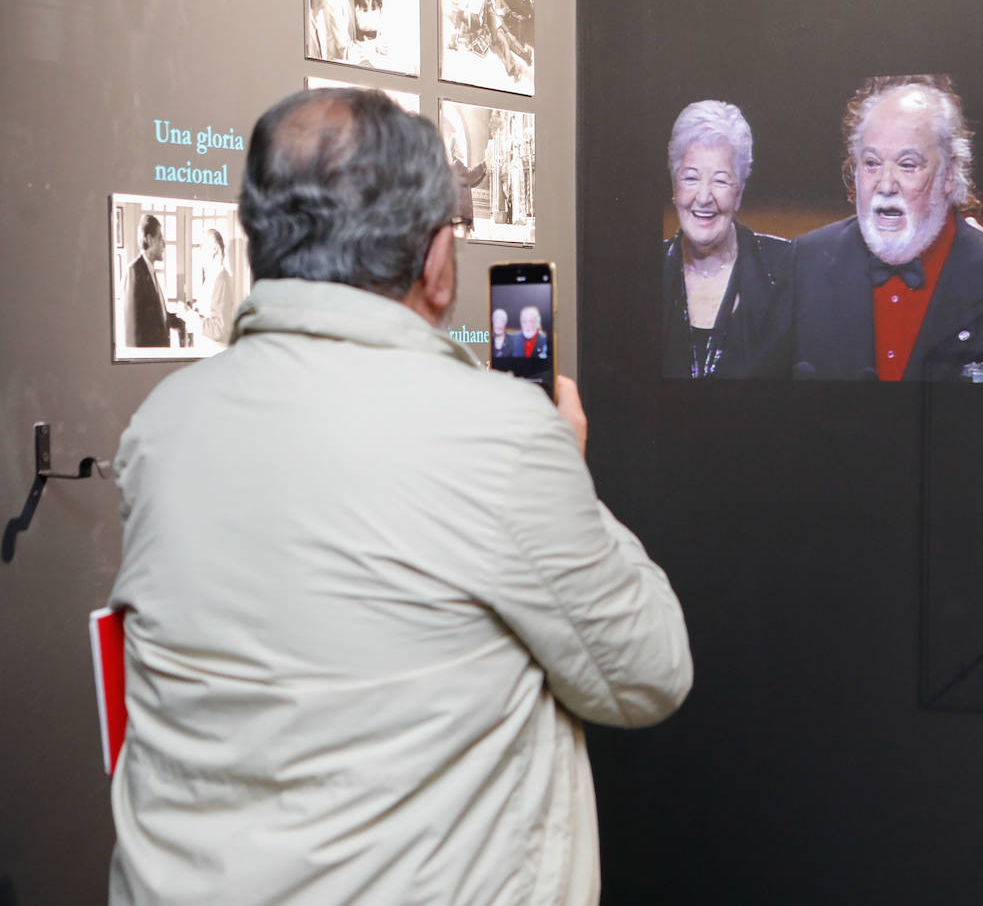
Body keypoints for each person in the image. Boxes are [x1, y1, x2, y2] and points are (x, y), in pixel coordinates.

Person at [106, 87, 693, 905]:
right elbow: (648, 672)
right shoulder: (499, 435)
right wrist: (563, 465)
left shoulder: (161, 427)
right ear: (437, 261)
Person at [791, 75, 983, 382]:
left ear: (949, 174)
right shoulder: (804, 261)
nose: (886, 185)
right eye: (871, 163)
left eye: (907, 164)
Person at [661, 100, 792, 379]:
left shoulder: (785, 270)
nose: (704, 197)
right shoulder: (643, 270)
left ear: (739, 192)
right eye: (691, 178)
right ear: (675, 186)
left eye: (720, 180)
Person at [124, 214, 171, 348]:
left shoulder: (150, 271)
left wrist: (178, 320)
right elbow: (131, 332)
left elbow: (156, 317)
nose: (164, 244)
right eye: (160, 238)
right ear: (149, 240)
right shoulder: (134, 271)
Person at [197, 229, 236, 345]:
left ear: (214, 249)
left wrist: (190, 317)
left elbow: (219, 330)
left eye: (202, 246)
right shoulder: (212, 278)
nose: (199, 251)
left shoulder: (221, 279)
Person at [449, 136, 487, 237]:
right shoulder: (457, 165)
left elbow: (471, 183)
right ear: (455, 149)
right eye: (459, 145)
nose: (461, 147)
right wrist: (484, 164)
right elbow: (470, 176)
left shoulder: (457, 165)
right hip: (461, 215)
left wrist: (484, 172)